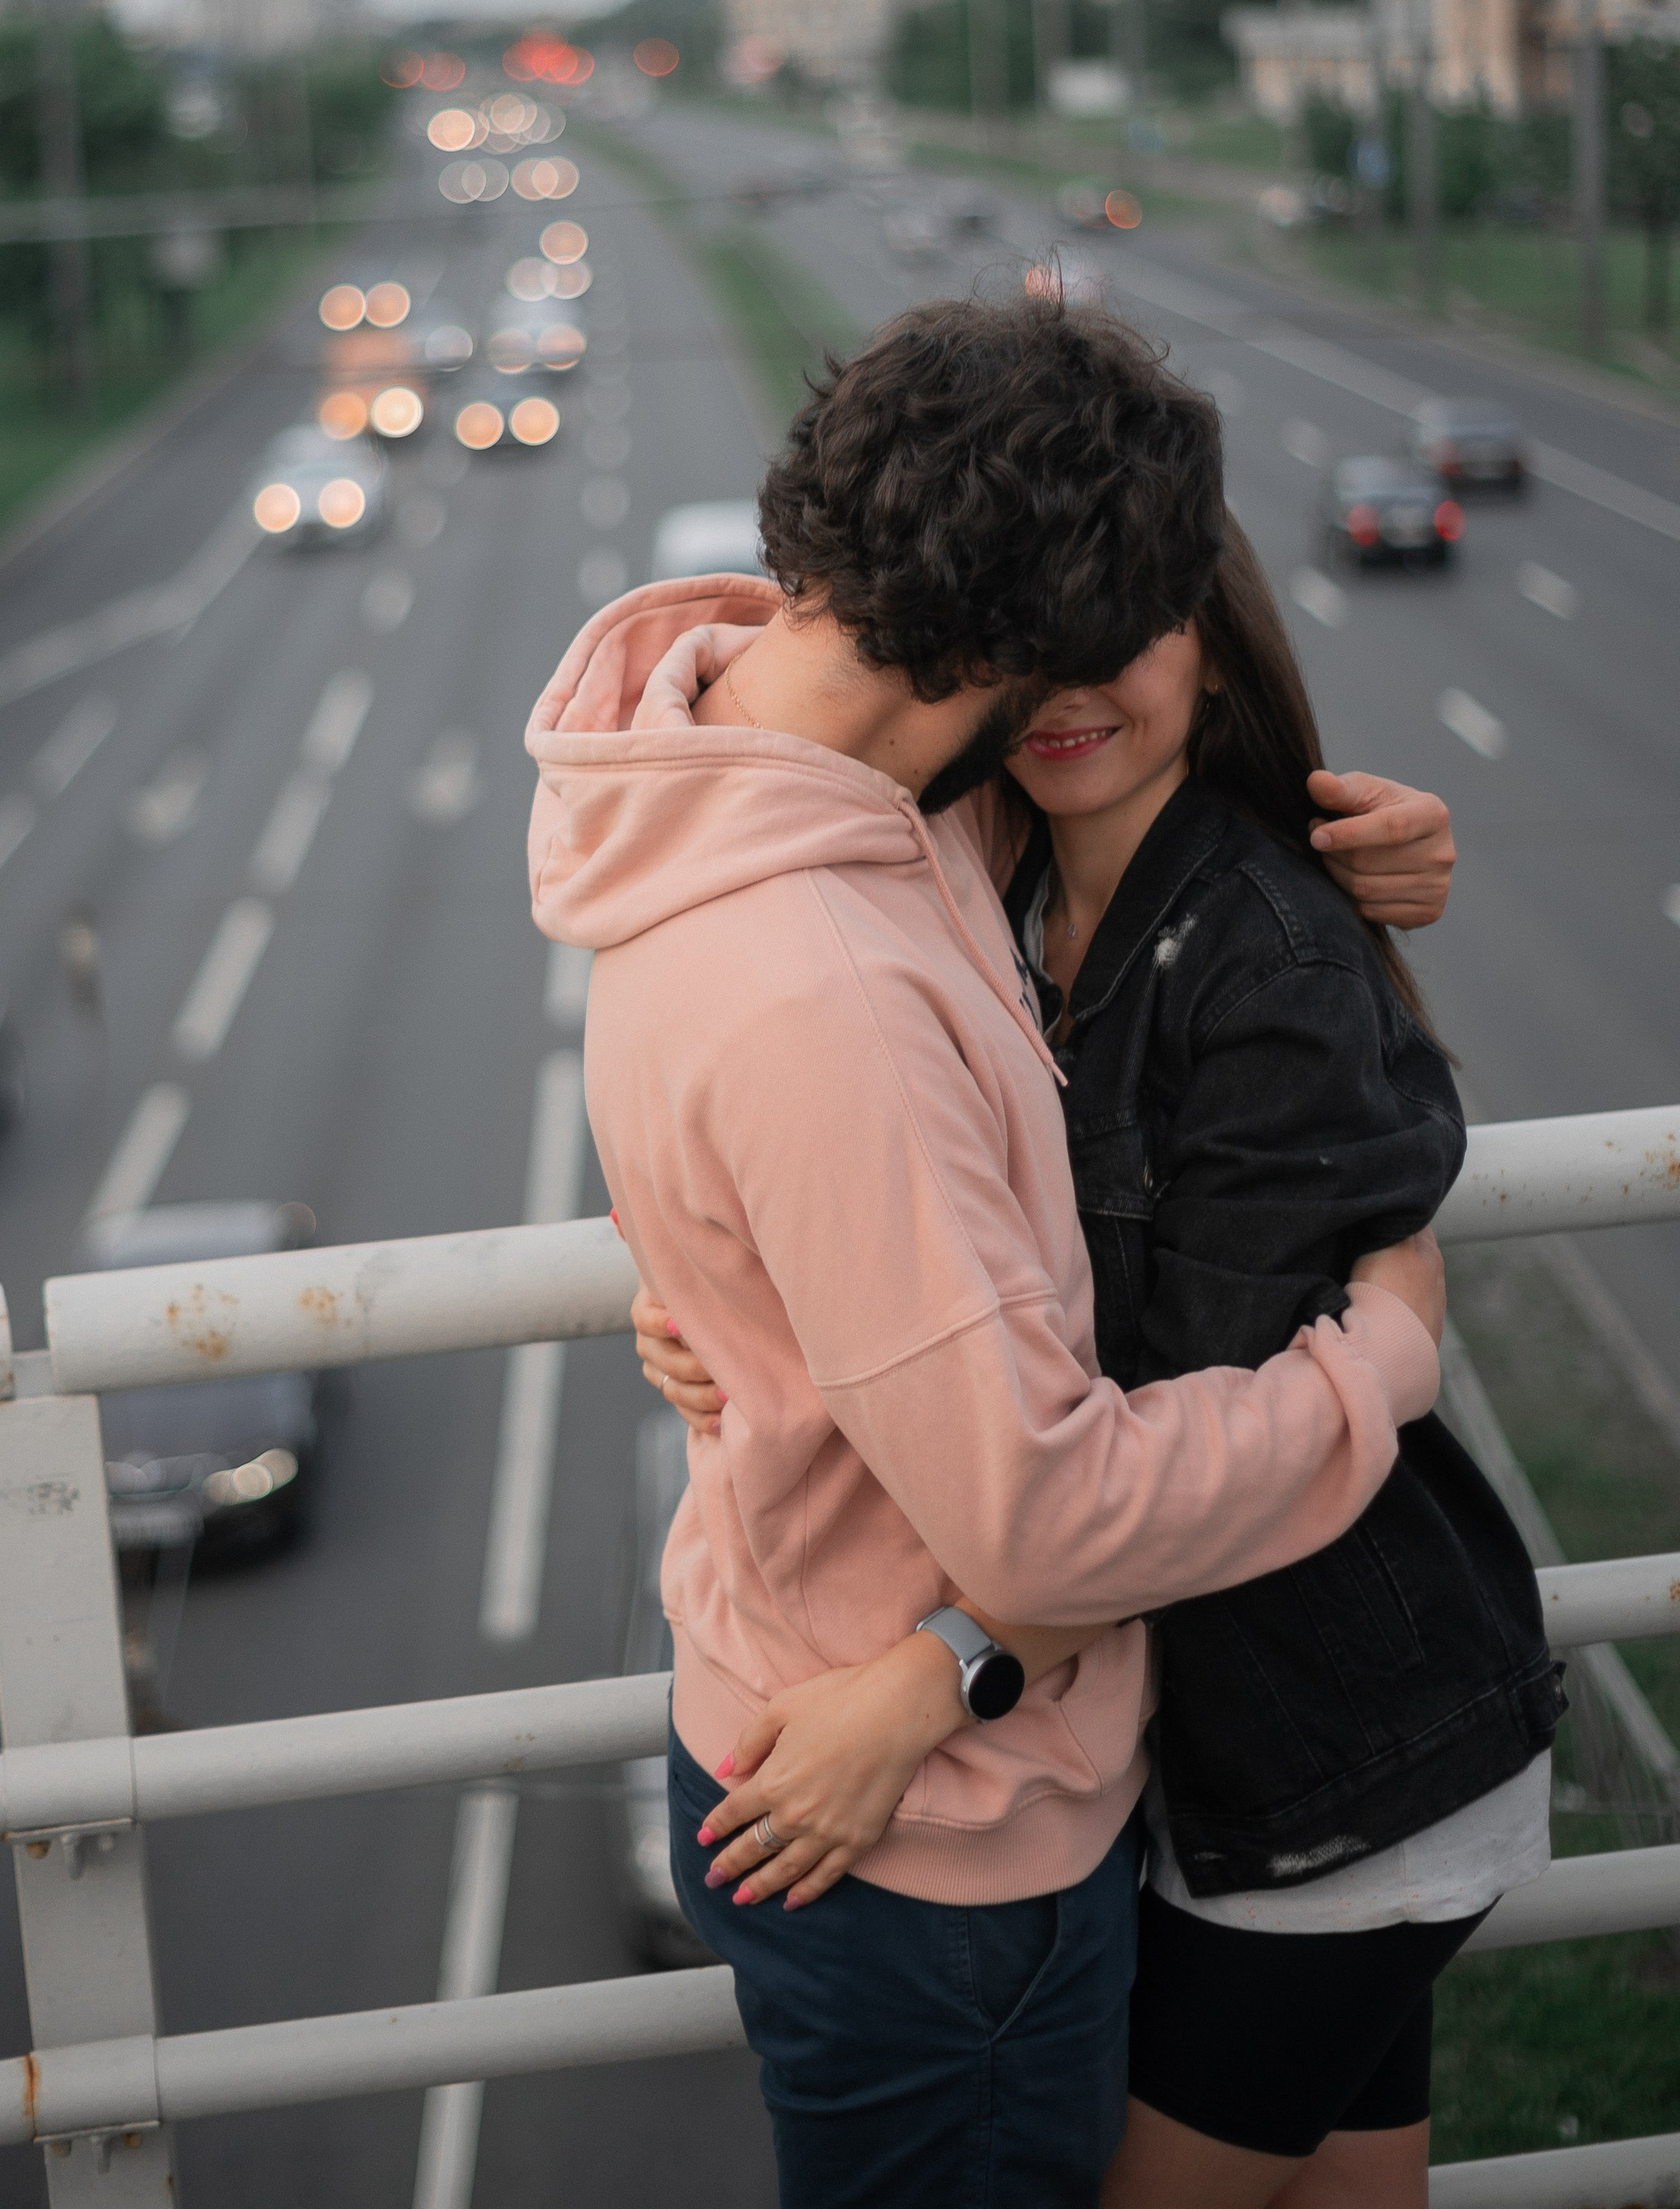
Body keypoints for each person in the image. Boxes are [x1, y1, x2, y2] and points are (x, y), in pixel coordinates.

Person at [527, 295, 1463, 2209]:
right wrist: (1377, 1362)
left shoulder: (751, 775)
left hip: (884, 1739)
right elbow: (1042, 1521)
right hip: (934, 1843)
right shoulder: (827, 990)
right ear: (1005, 649)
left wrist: (729, 1290)